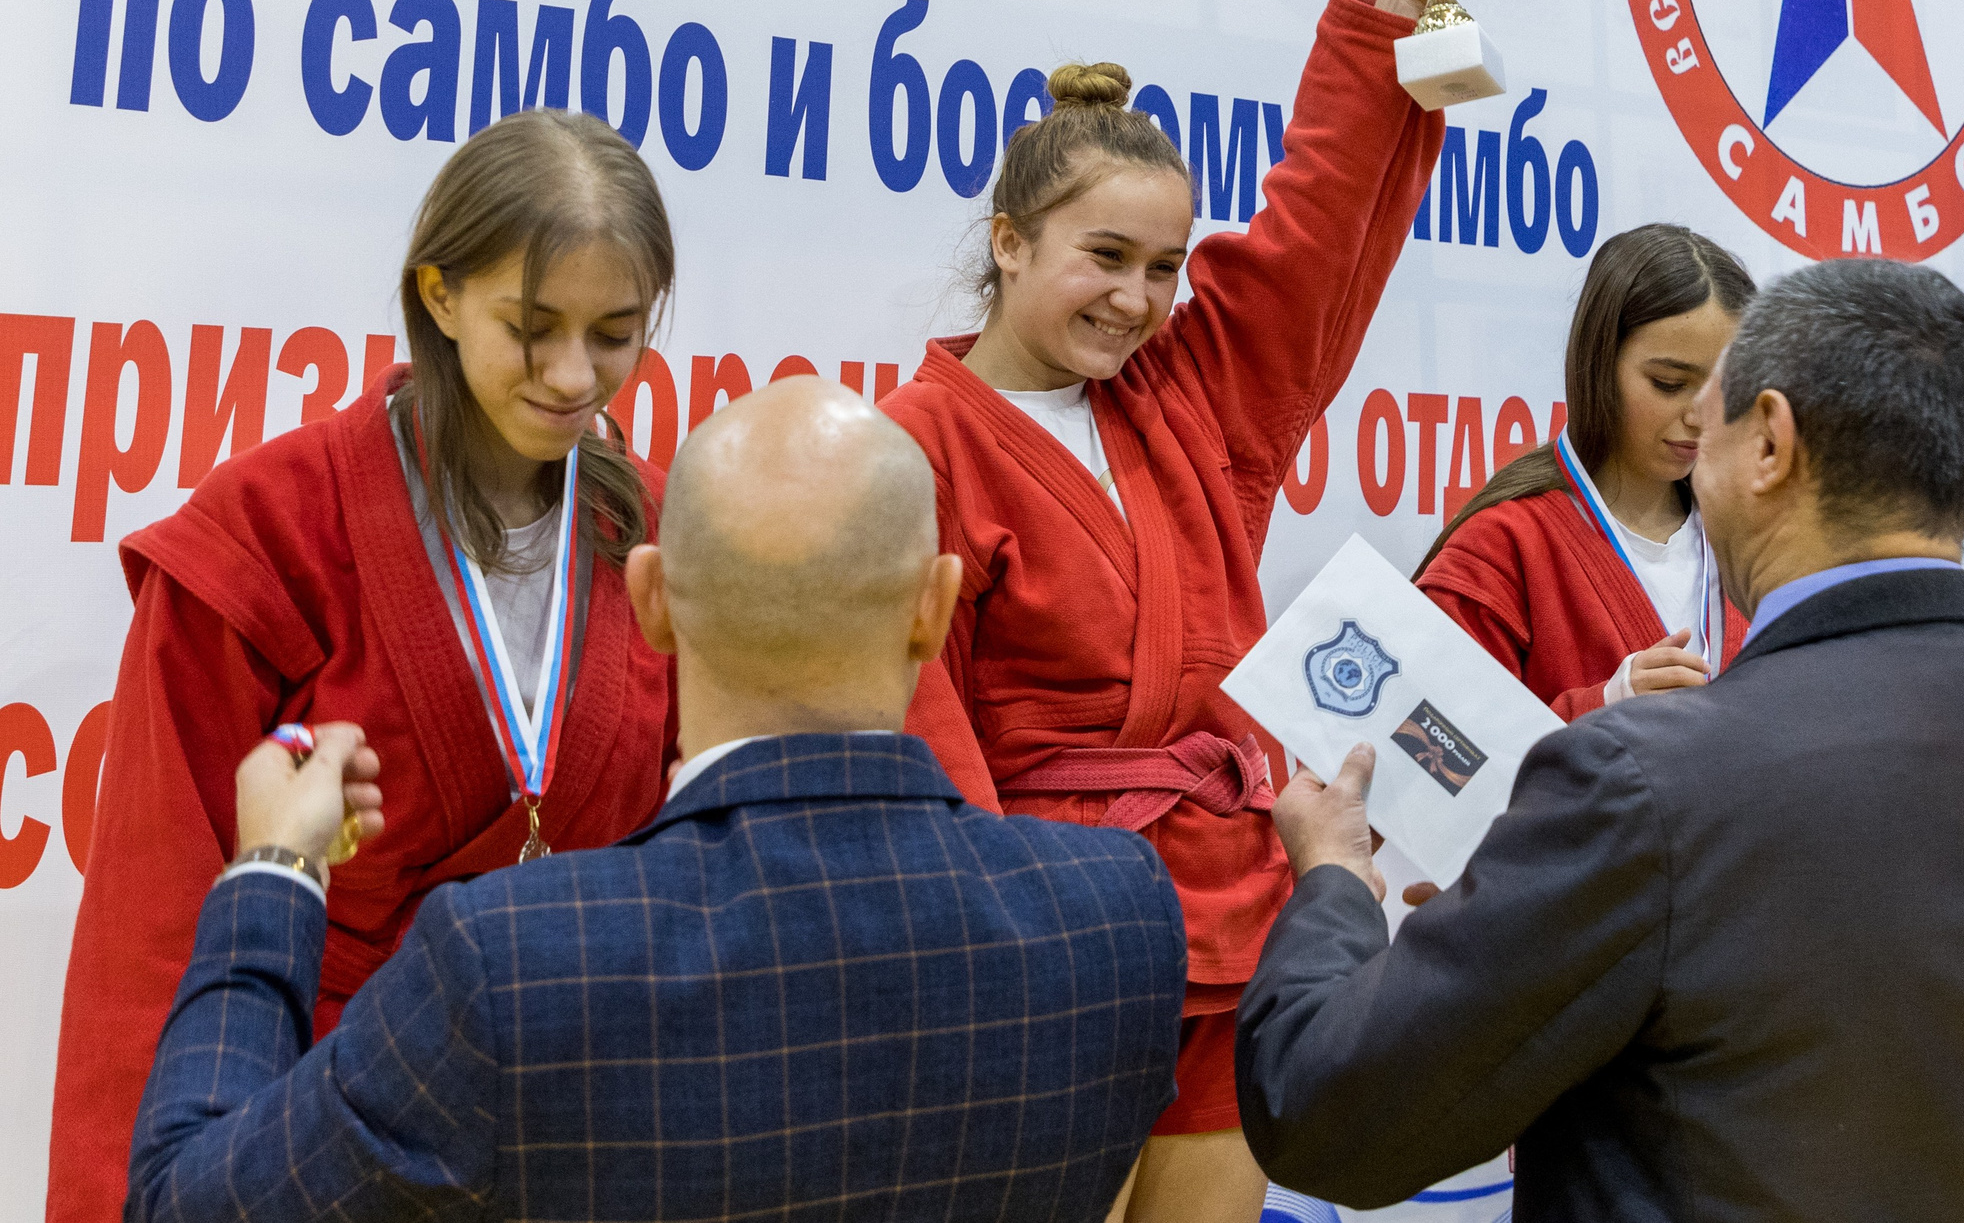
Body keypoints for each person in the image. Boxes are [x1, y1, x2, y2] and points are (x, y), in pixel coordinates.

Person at [47, 111, 995, 1223]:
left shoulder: (666, 530)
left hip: (605, 1120)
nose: (571, 374)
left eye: (614, 333)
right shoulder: (269, 533)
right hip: (338, 1123)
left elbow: (864, 768)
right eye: (531, 326)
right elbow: (150, 922)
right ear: (439, 295)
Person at [1236, 258, 1964, 1221]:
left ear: (1769, 442)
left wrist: (1335, 886)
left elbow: (1318, 1112)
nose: (1693, 440)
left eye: (1713, 410)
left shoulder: (1639, 783)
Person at [122, 378, 1186, 1223]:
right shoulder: (1123, 916)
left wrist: (274, 874)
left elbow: (185, 1202)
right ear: (936, 603)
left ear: (650, 602)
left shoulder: (509, 967)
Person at [879, 0, 1475, 1222]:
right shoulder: (912, 446)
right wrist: (994, 936)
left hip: (1230, 901)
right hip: (1048, 936)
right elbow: (923, 725)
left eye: (1163, 266)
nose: (1139, 297)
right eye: (1104, 255)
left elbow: (1314, 234)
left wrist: (1393, 9)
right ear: (1011, 241)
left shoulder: (1193, 394)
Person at [1414, 223, 1756, 717]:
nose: (1700, 414)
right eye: (1668, 383)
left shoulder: (1754, 535)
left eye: (1725, 386)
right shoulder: (1499, 548)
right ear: (1598, 365)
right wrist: (1605, 706)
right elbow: (1433, 754)